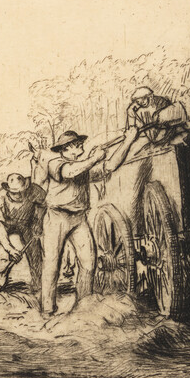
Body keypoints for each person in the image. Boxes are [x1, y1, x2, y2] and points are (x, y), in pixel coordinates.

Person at [33, 124, 140, 316]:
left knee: (89, 262)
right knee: (51, 263)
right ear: (66, 149)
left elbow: (110, 166)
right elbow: (70, 172)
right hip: (56, 217)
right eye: (76, 144)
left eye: (80, 143)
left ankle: (83, 305)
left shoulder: (84, 165)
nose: (81, 145)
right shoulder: (56, 162)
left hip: (79, 218)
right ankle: (47, 309)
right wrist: (94, 158)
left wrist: (128, 140)